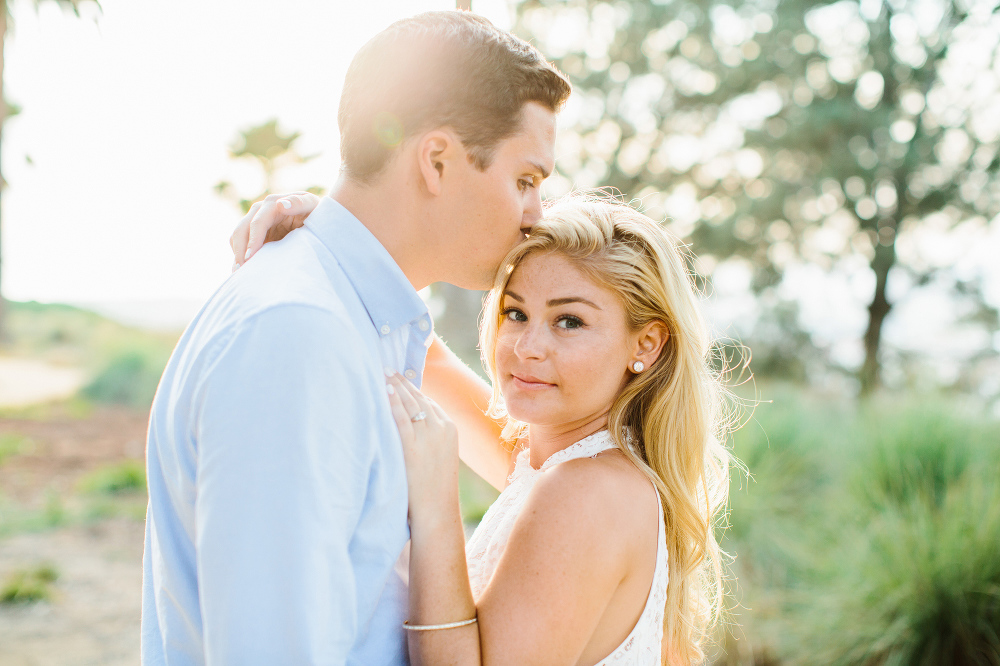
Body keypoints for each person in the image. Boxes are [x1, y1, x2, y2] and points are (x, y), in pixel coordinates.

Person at [141, 10, 570, 665]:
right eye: (526, 181)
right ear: (436, 160)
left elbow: (537, 467)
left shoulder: (359, 321)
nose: (536, 217)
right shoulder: (297, 336)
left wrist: (343, 236)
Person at [234, 194, 734, 665]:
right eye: (516, 313)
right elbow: (425, 354)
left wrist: (434, 501)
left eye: (569, 322)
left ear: (645, 344)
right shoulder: (550, 462)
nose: (526, 347)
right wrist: (336, 226)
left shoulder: (588, 491)